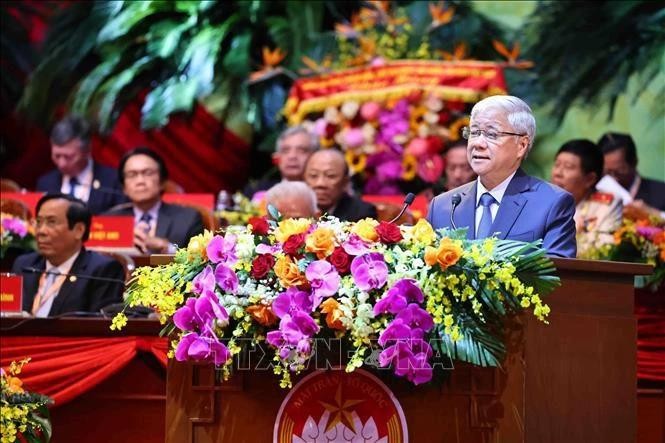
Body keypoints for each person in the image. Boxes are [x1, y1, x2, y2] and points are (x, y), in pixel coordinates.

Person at [426, 95, 576, 258]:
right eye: (474, 132)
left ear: (521, 145)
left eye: (491, 134)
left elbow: (559, 276)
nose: (478, 143)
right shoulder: (442, 207)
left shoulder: (551, 204)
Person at [11, 193, 125, 317]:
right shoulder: (24, 264)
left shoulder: (103, 270)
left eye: (51, 222)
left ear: (79, 230)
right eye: (38, 222)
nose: (41, 231)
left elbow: (99, 326)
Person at [105, 147, 204, 253]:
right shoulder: (108, 221)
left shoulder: (188, 219)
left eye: (148, 173)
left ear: (162, 181)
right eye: (132, 175)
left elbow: (198, 260)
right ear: (124, 187)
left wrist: (166, 247)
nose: (140, 181)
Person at [36, 115, 126, 214]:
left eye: (68, 157)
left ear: (87, 150)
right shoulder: (45, 183)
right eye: (57, 156)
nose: (61, 164)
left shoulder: (112, 181)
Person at [551, 140, 622, 257]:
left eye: (568, 167)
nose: (558, 173)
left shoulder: (607, 205)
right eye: (557, 164)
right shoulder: (540, 199)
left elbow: (603, 248)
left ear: (590, 179)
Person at [597, 132, 665, 214]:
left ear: (634, 162)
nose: (612, 178)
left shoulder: (661, 193)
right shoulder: (594, 195)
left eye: (618, 171)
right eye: (607, 172)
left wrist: (655, 214)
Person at [243, 126, 319, 198]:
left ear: (315, 155)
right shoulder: (255, 190)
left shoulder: (322, 195)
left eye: (301, 150)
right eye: (285, 150)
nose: (292, 156)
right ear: (277, 156)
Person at [304, 148, 377, 222]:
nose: (320, 183)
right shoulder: (295, 208)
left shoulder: (361, 213)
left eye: (330, 176)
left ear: (345, 182)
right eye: (313, 175)